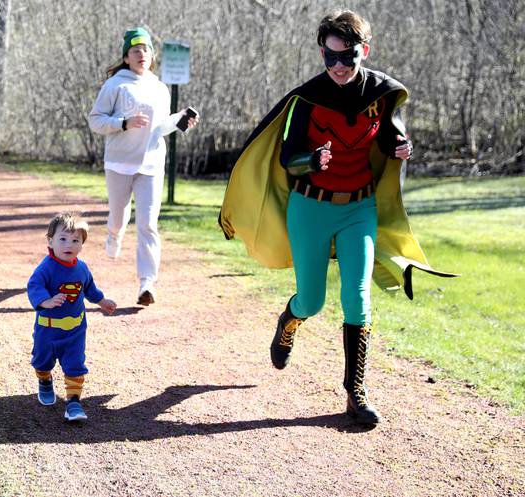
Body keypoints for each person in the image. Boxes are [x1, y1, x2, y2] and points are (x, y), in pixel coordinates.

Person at [219, 10, 455, 426]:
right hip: (310, 207)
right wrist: (313, 159)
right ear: (322, 54)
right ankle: (290, 321)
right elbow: (288, 157)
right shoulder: (307, 99)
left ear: (364, 51)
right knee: (312, 300)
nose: (339, 67)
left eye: (347, 58)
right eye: (330, 58)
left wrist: (402, 147)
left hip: (359, 208)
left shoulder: (380, 93)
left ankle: (355, 393)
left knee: (357, 296)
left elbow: (386, 137)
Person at [88, 27, 199, 306]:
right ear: (126, 57)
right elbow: (96, 120)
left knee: (149, 225)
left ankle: (146, 284)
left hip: (151, 164)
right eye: (135, 50)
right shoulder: (115, 85)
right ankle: (114, 234)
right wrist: (122, 123)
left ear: (152, 56)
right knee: (118, 216)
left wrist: (179, 120)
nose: (141, 54)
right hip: (119, 163)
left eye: (146, 49)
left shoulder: (159, 89)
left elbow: (160, 127)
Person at [27, 212, 117, 422]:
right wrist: (45, 301)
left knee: (75, 364)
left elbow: (89, 288)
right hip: (48, 329)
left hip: (75, 329)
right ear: (50, 241)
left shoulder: (82, 268)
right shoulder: (46, 268)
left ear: (82, 244)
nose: (69, 244)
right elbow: (34, 286)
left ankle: (73, 402)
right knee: (41, 361)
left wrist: (102, 301)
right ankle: (45, 380)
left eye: (75, 240)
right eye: (63, 239)